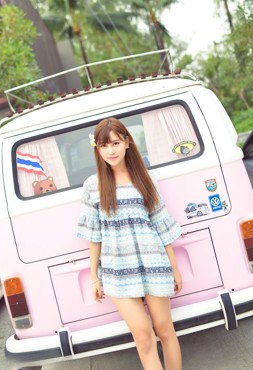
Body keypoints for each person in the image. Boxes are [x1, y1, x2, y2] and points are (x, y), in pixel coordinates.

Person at [77, 118, 183, 370]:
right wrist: (94, 277)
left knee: (165, 331)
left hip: (154, 263)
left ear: (127, 142)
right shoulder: (93, 186)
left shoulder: (146, 179)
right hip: (116, 271)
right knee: (143, 336)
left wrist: (174, 268)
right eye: (104, 145)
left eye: (115, 143)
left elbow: (161, 224)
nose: (110, 151)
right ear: (97, 149)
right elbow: (94, 236)